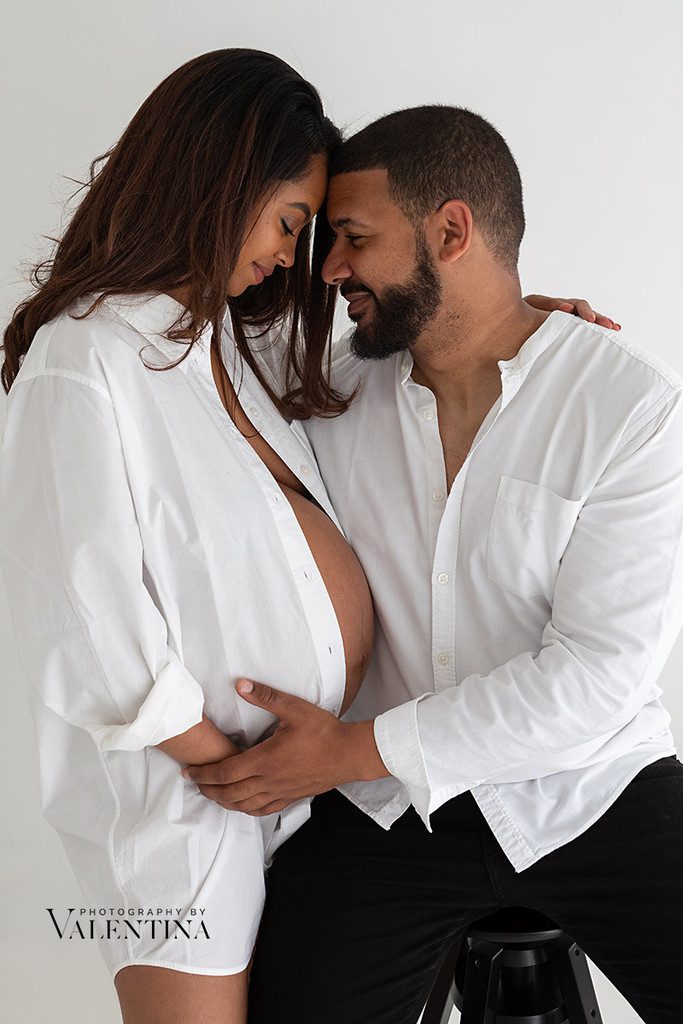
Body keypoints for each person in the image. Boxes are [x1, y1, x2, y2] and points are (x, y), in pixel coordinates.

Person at [182, 107, 683, 1024]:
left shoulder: (627, 403)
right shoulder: (325, 396)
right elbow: (191, 365)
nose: (329, 269)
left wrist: (347, 750)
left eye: (353, 239)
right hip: (380, 812)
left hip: (587, 788)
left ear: (451, 232)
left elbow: (599, 676)